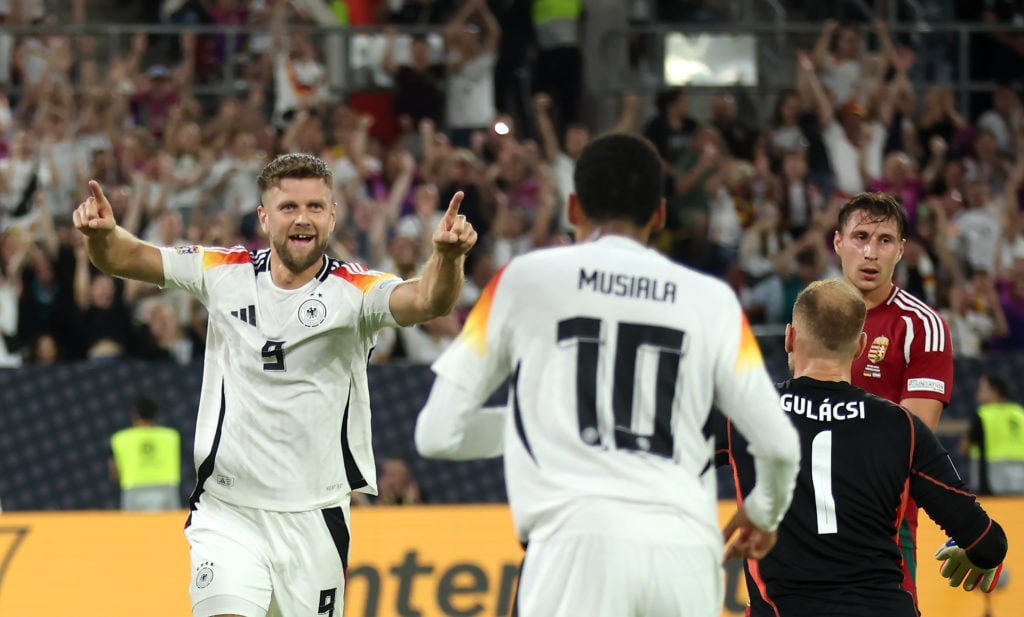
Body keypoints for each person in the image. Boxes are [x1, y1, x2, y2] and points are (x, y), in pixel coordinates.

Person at [73, 152, 476, 617]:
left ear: (332, 216)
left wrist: (446, 258)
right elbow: (126, 256)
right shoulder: (224, 271)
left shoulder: (357, 290)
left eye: (315, 207)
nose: (302, 218)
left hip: (316, 517)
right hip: (229, 511)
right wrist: (102, 236)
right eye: (288, 207)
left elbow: (429, 300)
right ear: (264, 217)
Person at [414, 133, 801, 617]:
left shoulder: (522, 281)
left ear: (573, 207)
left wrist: (545, 414)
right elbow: (781, 446)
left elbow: (437, 433)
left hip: (573, 550)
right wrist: (765, 512)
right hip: (685, 553)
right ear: (659, 215)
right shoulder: (714, 300)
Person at [718, 279, 1007, 616]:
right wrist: (978, 553)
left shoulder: (745, 412)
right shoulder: (902, 427)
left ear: (790, 337)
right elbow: (987, 542)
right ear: (860, 346)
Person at [833, 191, 953, 603]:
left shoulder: (922, 326)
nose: (870, 252)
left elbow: (912, 440)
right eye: (860, 236)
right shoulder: (813, 315)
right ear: (838, 243)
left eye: (885, 240)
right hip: (806, 518)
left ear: (901, 250)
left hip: (883, 523)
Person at [109, 396, 182, 511]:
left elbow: (115, 472)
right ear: (155, 414)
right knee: (169, 528)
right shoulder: (171, 436)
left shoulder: (119, 439)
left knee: (135, 529)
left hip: (133, 491)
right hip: (166, 489)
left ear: (135, 415)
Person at [966, 375, 1024, 495]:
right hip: (1020, 478)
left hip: (990, 481)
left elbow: (964, 447)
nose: (978, 394)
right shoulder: (1019, 413)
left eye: (982, 390)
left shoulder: (983, 415)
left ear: (994, 391)